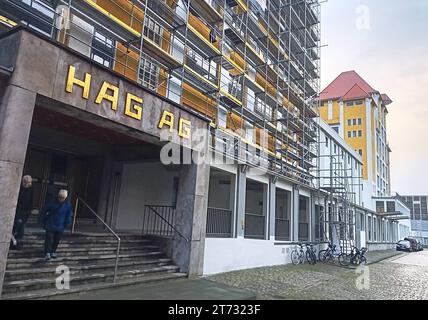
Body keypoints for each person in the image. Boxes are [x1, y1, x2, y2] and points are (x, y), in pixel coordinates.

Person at [42, 189, 72, 261]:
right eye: (60, 197)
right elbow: (45, 210)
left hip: (60, 225)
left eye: (62, 198)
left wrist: (66, 224)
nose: (60, 199)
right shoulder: (52, 202)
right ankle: (47, 252)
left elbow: (68, 215)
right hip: (50, 223)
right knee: (49, 238)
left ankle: (53, 251)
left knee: (56, 239)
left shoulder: (67, 205)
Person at [11, 175, 34, 249]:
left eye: (28, 182)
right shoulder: (19, 188)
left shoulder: (31, 190)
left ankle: (18, 244)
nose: (26, 184)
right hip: (18, 211)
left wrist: (29, 210)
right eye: (25, 182)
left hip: (25, 212)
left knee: (21, 229)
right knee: (17, 226)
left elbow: (31, 201)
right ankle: (13, 243)